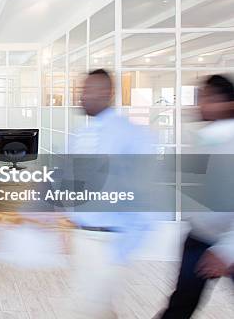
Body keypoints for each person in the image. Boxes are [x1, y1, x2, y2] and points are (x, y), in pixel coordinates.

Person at [66, 69, 154, 318]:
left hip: (109, 242)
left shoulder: (132, 135)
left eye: (88, 90)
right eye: (81, 90)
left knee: (83, 310)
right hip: (84, 237)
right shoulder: (84, 134)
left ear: (107, 93)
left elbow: (149, 194)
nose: (81, 96)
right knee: (100, 310)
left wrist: (122, 250)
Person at [157, 75, 234, 319]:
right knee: (181, 304)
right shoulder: (209, 139)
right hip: (200, 236)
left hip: (226, 242)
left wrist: (227, 251)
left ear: (229, 104)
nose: (200, 105)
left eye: (208, 98)